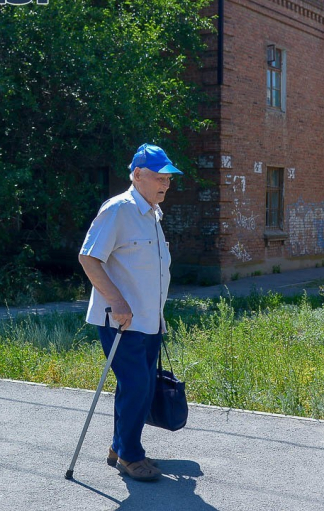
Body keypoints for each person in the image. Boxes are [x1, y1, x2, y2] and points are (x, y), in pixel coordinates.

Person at [78, 143, 182, 482]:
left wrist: (159, 316)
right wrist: (116, 301)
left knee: (138, 386)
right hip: (120, 321)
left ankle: (119, 447)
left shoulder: (152, 213)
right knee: (137, 385)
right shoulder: (119, 210)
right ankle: (129, 456)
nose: (165, 183)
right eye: (158, 177)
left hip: (149, 322)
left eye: (168, 177)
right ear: (137, 175)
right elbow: (89, 258)